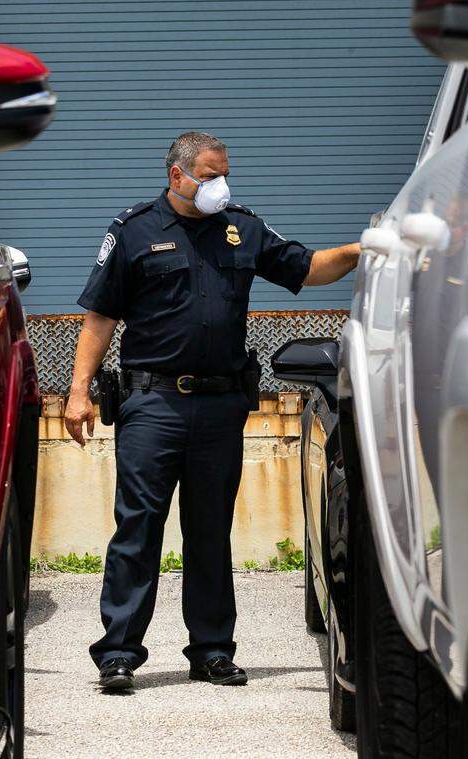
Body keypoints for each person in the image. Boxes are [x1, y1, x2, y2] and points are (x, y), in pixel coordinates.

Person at [67, 131, 360, 691]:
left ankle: (211, 651)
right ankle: (119, 653)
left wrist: (360, 250)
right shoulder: (133, 232)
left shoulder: (243, 228)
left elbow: (308, 268)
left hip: (221, 405)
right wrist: (79, 391)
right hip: (152, 404)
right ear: (176, 175)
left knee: (210, 532)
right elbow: (100, 317)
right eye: (208, 174)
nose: (219, 184)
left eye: (224, 172)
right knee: (138, 527)